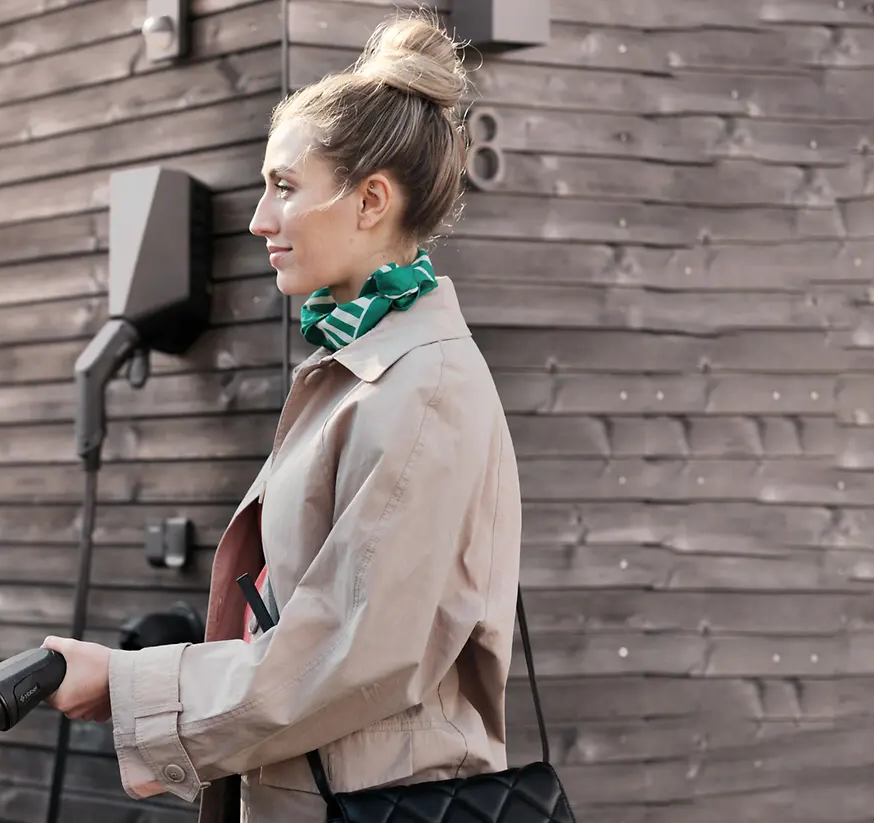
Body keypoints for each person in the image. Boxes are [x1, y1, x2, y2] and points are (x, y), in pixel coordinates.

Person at [40, 11, 523, 823]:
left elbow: (350, 652)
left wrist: (131, 687)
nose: (261, 218)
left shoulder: (421, 388)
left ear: (371, 199)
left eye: (286, 187)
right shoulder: (363, 368)